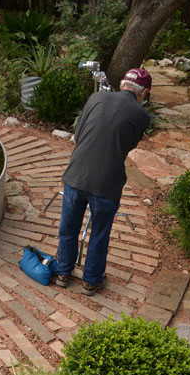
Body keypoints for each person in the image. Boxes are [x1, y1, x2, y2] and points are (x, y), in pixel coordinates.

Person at [54, 68, 152, 295]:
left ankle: (62, 273)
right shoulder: (142, 116)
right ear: (144, 92)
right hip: (107, 183)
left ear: (122, 83)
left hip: (76, 174)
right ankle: (91, 281)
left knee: (68, 228)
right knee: (99, 232)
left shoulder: (96, 97)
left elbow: (78, 136)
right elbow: (128, 145)